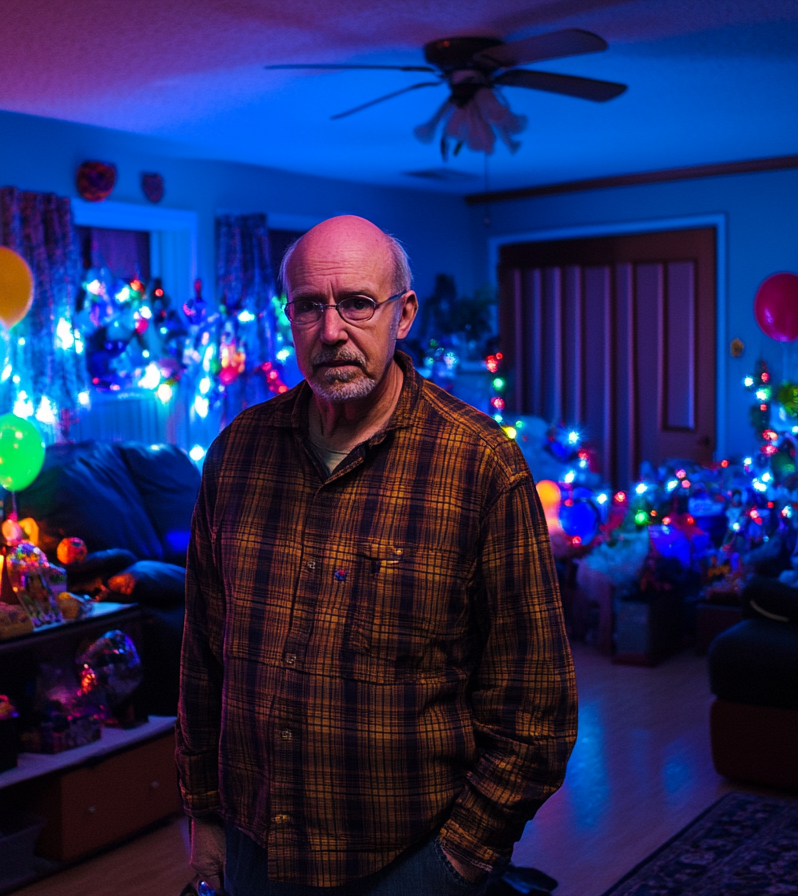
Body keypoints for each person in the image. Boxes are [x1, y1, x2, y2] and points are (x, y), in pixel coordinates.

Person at [177, 215, 577, 895]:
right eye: (309, 306)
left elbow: (536, 705)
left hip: (407, 863)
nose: (331, 331)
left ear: (403, 315)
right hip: (254, 852)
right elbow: (201, 660)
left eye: (357, 303)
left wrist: (460, 859)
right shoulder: (236, 454)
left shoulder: (481, 464)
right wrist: (203, 813)